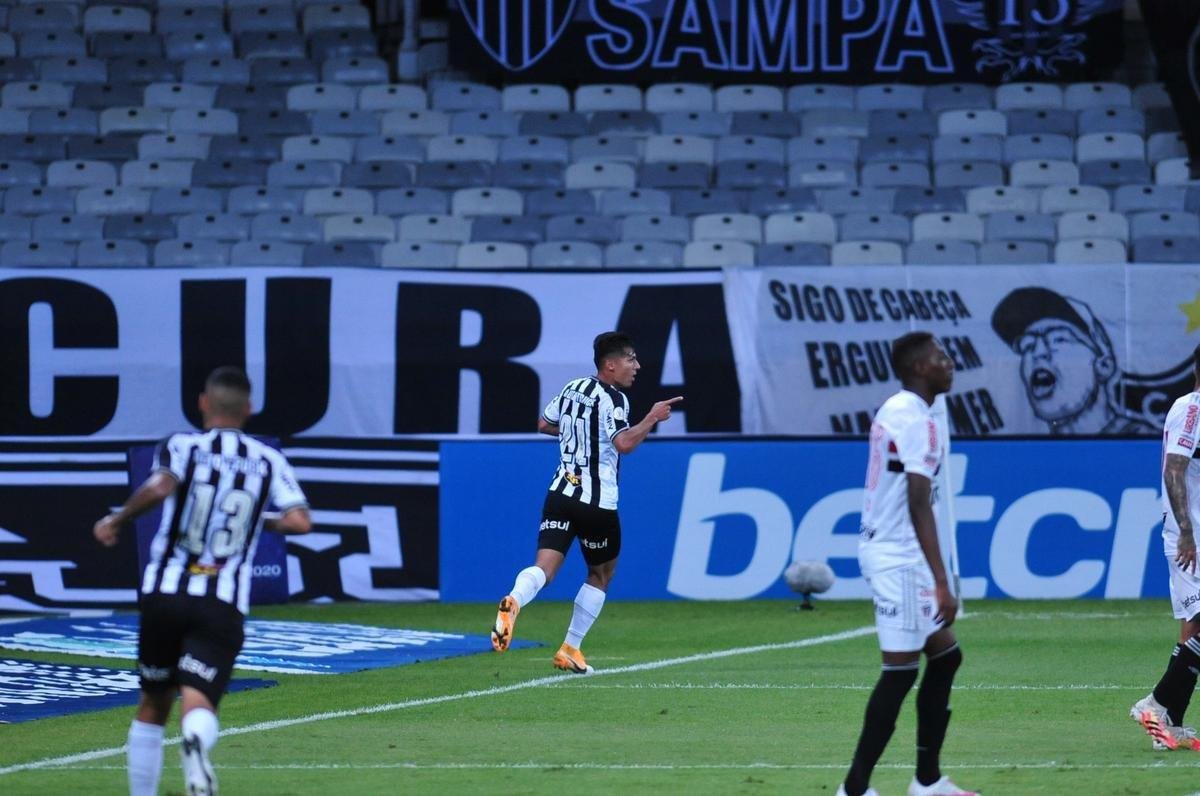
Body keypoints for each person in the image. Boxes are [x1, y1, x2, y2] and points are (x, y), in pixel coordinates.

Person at [93, 367, 312, 796]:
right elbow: (300, 521)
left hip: (165, 593)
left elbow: (158, 489)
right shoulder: (268, 459)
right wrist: (257, 520)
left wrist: (116, 519)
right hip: (221, 600)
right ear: (249, 409)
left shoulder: (182, 445)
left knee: (154, 702)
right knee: (199, 698)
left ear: (203, 403)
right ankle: (194, 742)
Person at [490, 331, 681, 673]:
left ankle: (514, 599)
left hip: (561, 493)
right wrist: (652, 418)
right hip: (596, 502)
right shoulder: (615, 400)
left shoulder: (572, 387)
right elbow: (624, 444)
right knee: (601, 573)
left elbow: (544, 424)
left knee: (545, 568)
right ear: (610, 365)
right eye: (630, 359)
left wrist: (581, 435)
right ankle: (570, 648)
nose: (637, 366)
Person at [837, 332, 976, 796]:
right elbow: (919, 501)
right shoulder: (917, 418)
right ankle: (855, 789)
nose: (950, 363)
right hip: (899, 557)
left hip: (897, 550)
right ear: (920, 367)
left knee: (946, 657)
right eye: (941, 357)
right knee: (899, 674)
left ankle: (928, 781)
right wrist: (942, 581)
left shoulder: (902, 409)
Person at [1131, 344, 1200, 751]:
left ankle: (1168, 721)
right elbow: (1173, 469)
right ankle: (1155, 704)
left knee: (1193, 629)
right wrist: (1187, 533)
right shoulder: (1190, 408)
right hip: (1190, 537)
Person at [991, 287, 1157, 435]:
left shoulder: (1144, 442)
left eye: (1059, 339)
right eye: (1027, 346)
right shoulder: (1032, 454)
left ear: (1103, 365)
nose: (1038, 353)